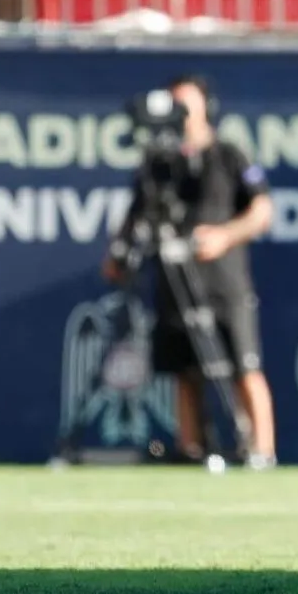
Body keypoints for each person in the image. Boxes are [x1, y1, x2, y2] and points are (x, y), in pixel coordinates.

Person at [103, 74, 279, 470]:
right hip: (173, 275)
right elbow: (137, 212)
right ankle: (192, 448)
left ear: (205, 106)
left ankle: (262, 451)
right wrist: (119, 252)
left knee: (243, 365)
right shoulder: (160, 163)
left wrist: (223, 236)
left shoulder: (230, 154)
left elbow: (261, 211)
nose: (179, 113)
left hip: (224, 279)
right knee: (184, 370)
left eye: (187, 103)